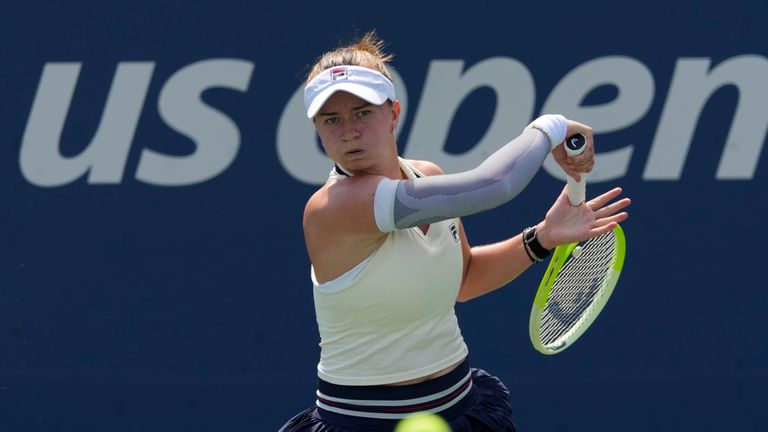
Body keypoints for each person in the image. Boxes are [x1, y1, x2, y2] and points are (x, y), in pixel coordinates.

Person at [280, 31, 630, 432]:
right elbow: (493, 184)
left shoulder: (426, 175)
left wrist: (543, 237)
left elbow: (463, 280)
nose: (349, 131)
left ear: (393, 113)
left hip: (461, 409)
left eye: (362, 112)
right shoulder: (335, 208)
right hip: (364, 423)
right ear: (317, 129)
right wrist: (551, 127)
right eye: (331, 120)